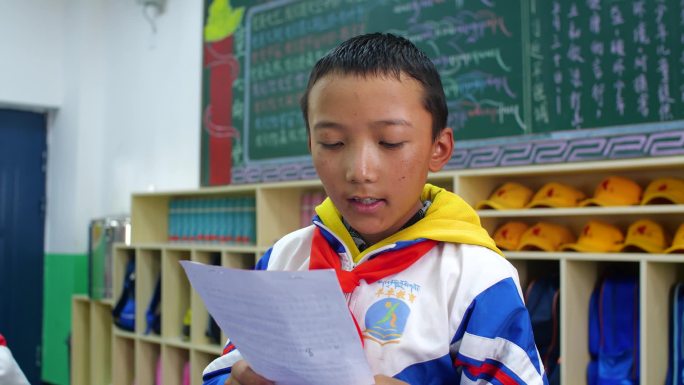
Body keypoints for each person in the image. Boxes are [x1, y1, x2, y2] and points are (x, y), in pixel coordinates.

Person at [202, 32, 547, 385]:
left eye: (390, 142)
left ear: (438, 148)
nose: (360, 171)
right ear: (310, 144)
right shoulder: (284, 258)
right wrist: (234, 380)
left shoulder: (476, 279)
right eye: (332, 143)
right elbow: (228, 365)